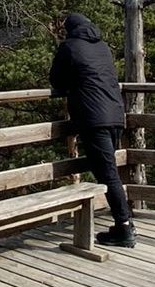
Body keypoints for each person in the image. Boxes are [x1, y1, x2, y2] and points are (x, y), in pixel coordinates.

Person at [49, 12, 136, 247]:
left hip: (93, 117)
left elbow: (56, 80)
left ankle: (124, 227)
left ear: (69, 29)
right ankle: (125, 221)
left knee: (108, 174)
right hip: (116, 115)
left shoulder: (69, 46)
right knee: (109, 170)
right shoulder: (103, 47)